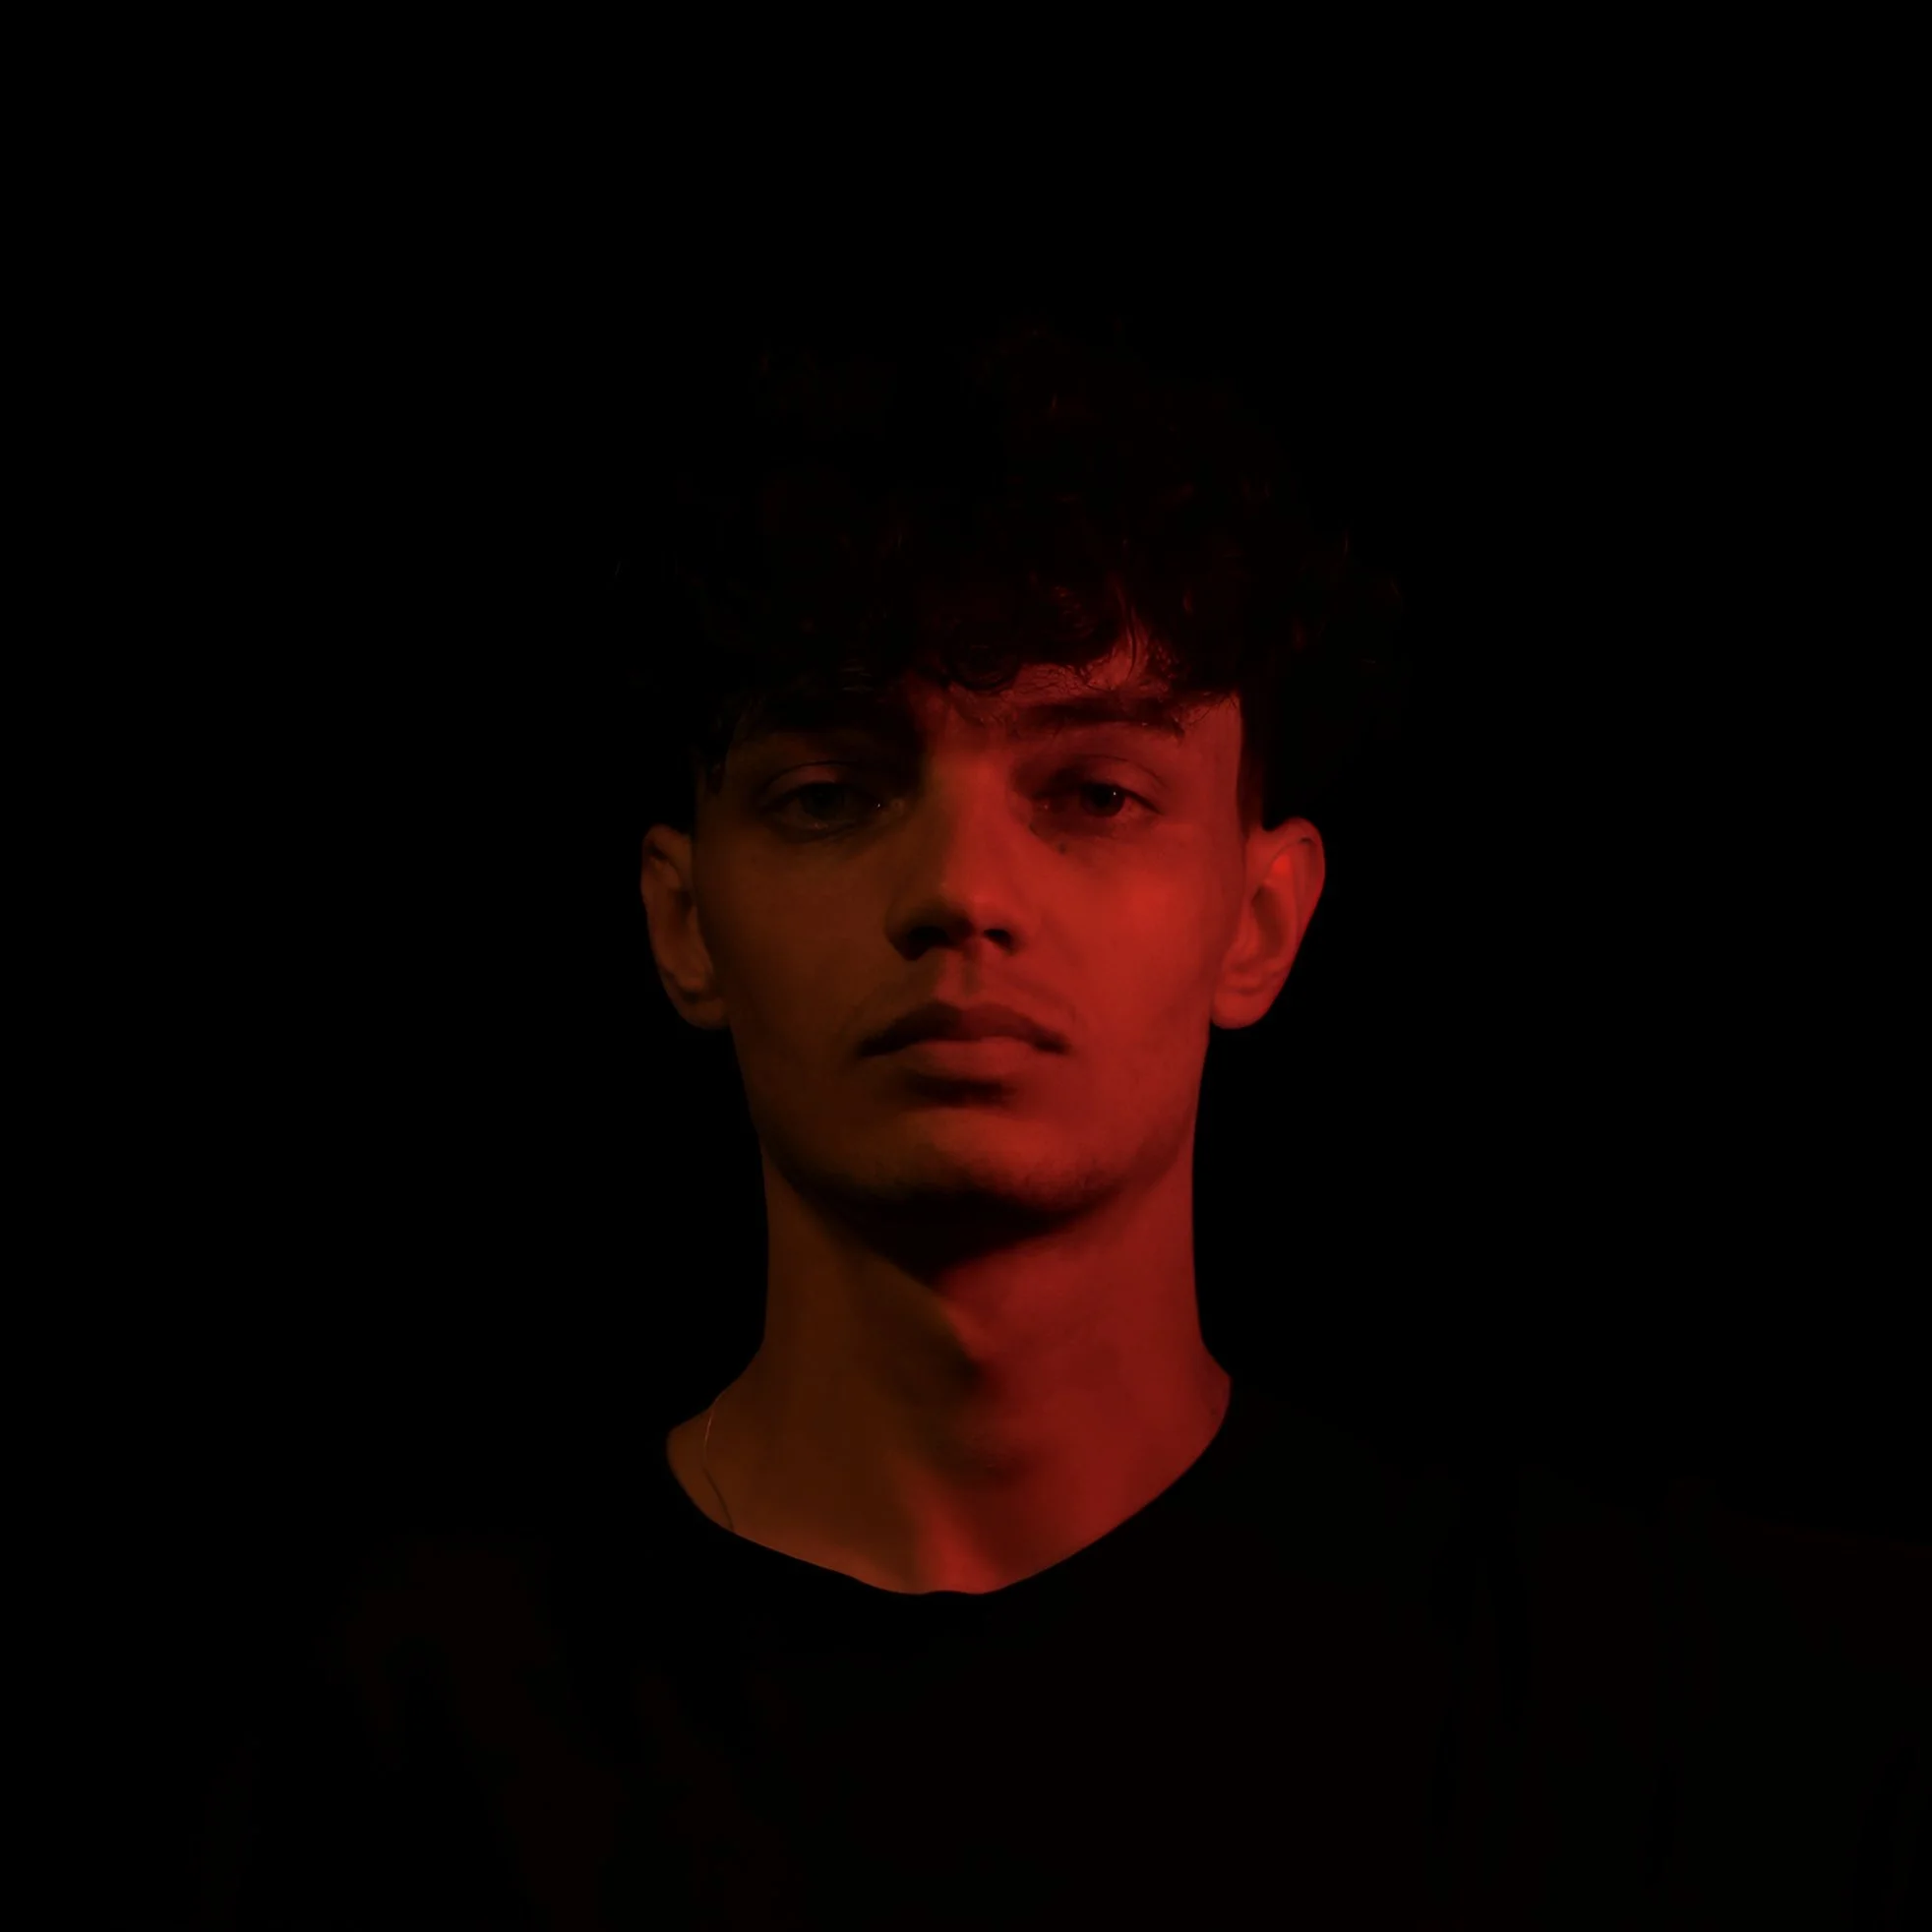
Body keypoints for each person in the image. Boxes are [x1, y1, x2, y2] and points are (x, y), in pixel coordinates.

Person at [192, 311, 1926, 1928]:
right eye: (833, 793)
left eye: (1093, 791)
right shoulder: (406, 1733)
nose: (958, 892)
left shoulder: (1648, 1702)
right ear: (682, 921)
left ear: (1261, 917)